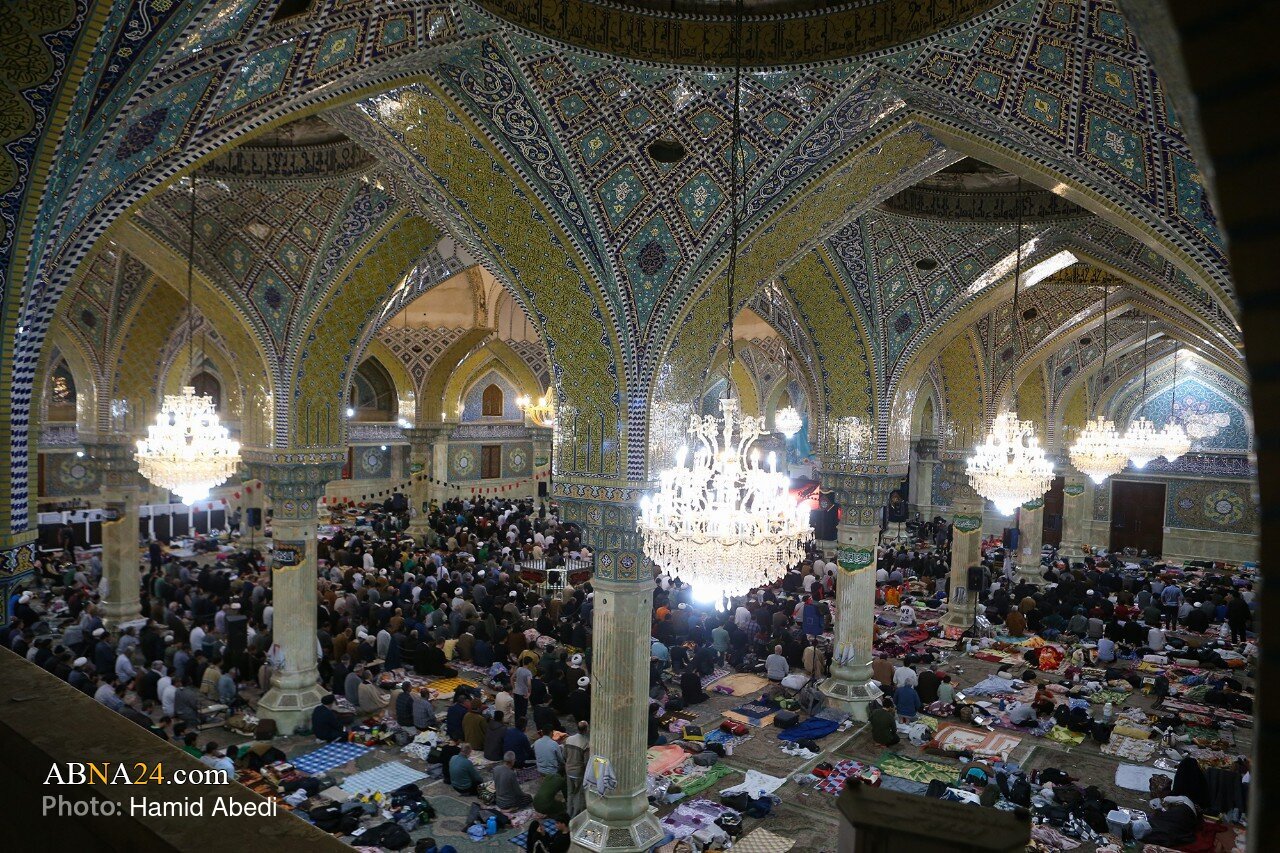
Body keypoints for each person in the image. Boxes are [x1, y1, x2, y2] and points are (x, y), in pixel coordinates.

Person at [563, 721, 589, 817]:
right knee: (578, 793)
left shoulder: (568, 739)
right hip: (578, 772)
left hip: (568, 769)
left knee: (570, 793)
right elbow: (586, 761)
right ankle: (576, 815)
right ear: (586, 730)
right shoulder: (585, 743)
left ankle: (568, 813)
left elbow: (564, 755)